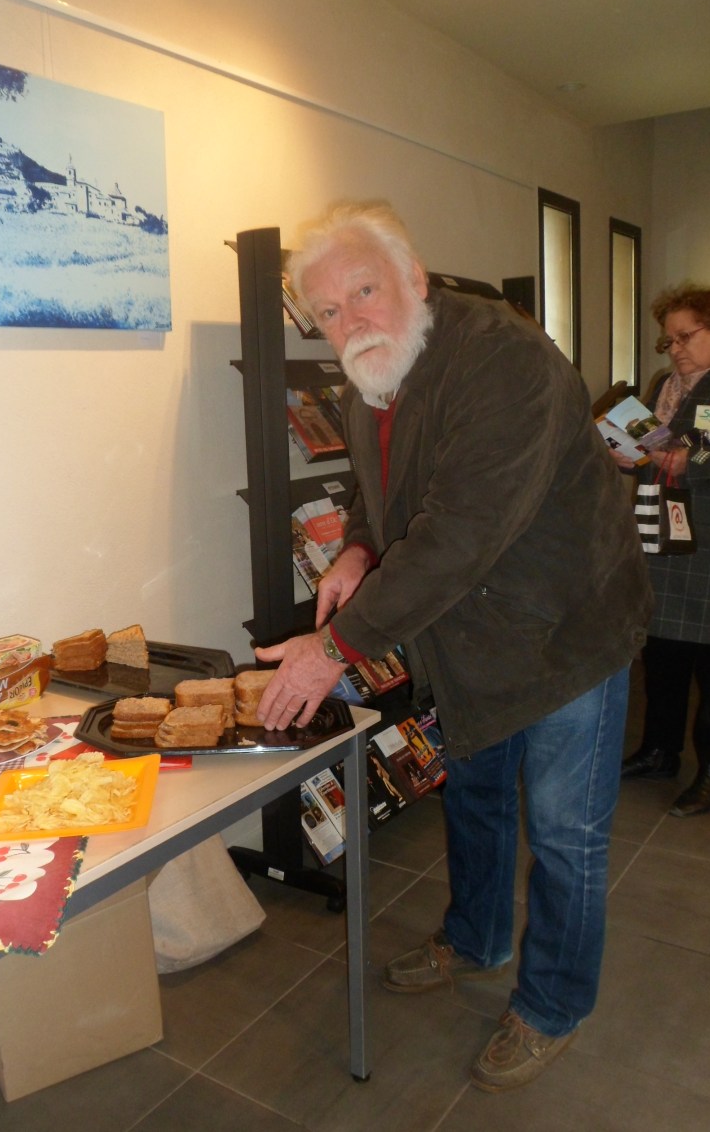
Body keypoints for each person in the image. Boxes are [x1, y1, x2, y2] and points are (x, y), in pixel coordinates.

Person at [254, 200, 652, 1092]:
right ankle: (473, 940)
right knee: (474, 798)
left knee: (565, 833)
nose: (350, 320)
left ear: (413, 279)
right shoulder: (372, 377)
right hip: (466, 639)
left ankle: (552, 1004)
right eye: (328, 310)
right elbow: (386, 497)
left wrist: (333, 648)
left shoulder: (504, 358)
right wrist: (358, 549)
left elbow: (461, 531)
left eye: (364, 292)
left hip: (565, 631)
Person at [615, 283, 710, 816]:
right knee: (662, 656)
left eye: (686, 336)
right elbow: (661, 449)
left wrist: (678, 459)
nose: (676, 348)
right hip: (660, 536)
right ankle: (659, 751)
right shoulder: (665, 385)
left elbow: (708, 456)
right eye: (669, 340)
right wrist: (628, 454)